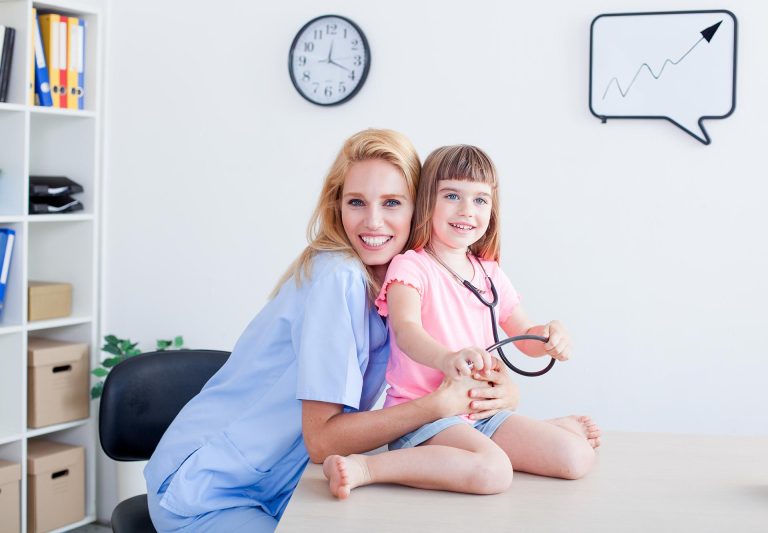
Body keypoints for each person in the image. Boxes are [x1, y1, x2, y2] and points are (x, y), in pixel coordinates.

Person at [144, 131, 521, 532]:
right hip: (206, 491)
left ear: (420, 207)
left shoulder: (403, 285)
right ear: (336, 206)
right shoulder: (338, 277)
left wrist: (501, 394)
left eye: (392, 202)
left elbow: (429, 376)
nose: (372, 221)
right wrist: (437, 406)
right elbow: (323, 442)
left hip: (282, 487)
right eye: (356, 202)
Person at [323, 144, 601, 499]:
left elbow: (524, 335)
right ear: (427, 201)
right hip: (427, 417)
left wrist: (549, 336)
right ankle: (366, 467)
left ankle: (547, 430)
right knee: (493, 472)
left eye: (480, 200)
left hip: (480, 413)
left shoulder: (489, 272)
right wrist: (445, 358)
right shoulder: (411, 267)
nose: (467, 210)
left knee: (576, 457)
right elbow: (406, 331)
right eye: (452, 195)